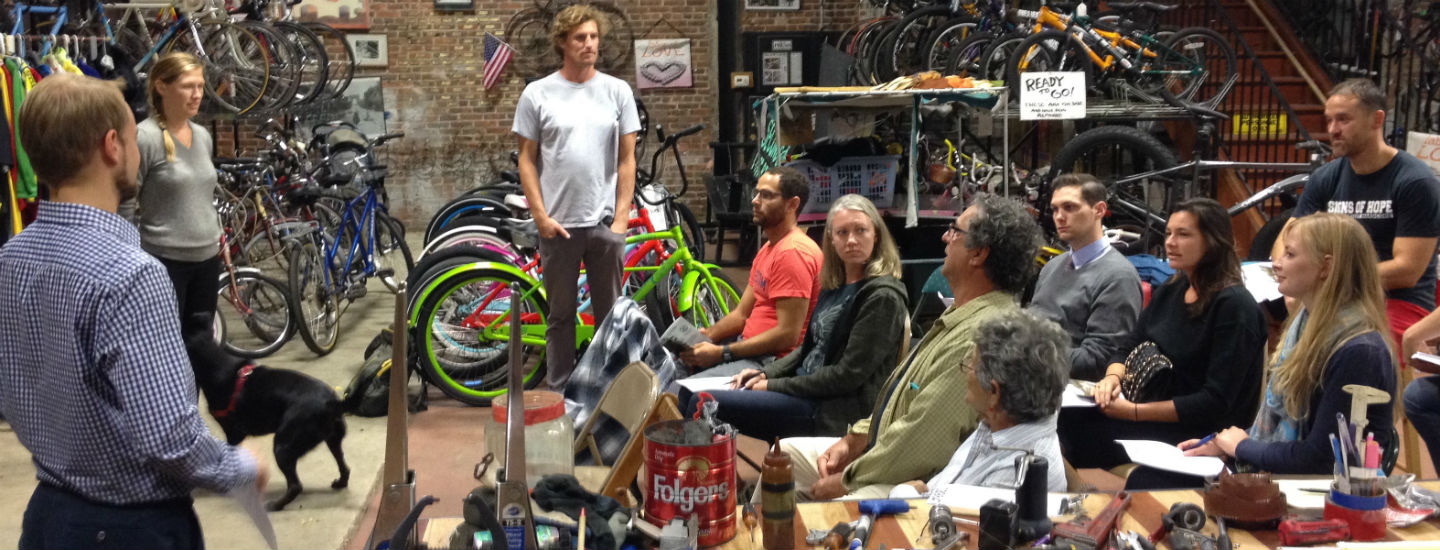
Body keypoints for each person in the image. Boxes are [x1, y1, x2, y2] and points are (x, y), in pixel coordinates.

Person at [0, 74, 266, 549]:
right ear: (111, 147)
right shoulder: (130, 275)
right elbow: (171, 439)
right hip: (127, 529)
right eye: (131, 136)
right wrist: (238, 467)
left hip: (47, 518)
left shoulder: (11, 259)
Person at [776, 194, 1042, 500]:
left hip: (918, 482)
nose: (945, 237)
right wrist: (855, 438)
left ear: (978, 253)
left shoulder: (980, 334)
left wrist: (848, 480)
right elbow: (902, 394)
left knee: (812, 494)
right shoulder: (963, 313)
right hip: (888, 454)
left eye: (955, 231)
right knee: (784, 456)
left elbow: (924, 438)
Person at [1060, 198, 1266, 490]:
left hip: (1197, 433)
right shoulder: (1174, 288)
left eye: (1183, 234)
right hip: (1148, 411)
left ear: (1213, 241)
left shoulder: (1235, 307)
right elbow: (1128, 345)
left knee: (1082, 438)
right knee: (1062, 421)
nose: (1170, 242)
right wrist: (1111, 379)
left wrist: (1132, 412)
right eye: (1168, 233)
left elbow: (1214, 402)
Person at [678, 194, 907, 441]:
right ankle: (704, 464)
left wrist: (773, 385)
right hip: (803, 390)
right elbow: (807, 348)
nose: (851, 240)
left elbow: (846, 376)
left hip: (831, 410)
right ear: (831, 239)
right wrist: (766, 374)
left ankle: (699, 466)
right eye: (842, 232)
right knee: (687, 394)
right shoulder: (835, 285)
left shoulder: (882, 297)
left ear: (876, 235)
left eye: (861, 230)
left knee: (703, 402)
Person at [1181, 213, 1395, 474]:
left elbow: (1323, 458)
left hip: (1327, 490)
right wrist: (1223, 444)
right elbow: (1281, 430)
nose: (1277, 263)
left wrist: (1242, 447)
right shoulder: (1305, 326)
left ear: (1326, 267)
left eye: (1290, 255)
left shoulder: (1359, 351)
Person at [513, 4, 641, 391]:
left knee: (610, 318)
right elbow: (526, 160)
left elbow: (627, 160)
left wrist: (621, 220)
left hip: (604, 224)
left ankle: (605, 392)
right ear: (563, 44)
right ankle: (560, 392)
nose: (589, 44)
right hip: (558, 226)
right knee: (560, 317)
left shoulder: (617, 91)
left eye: (594, 37)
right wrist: (540, 216)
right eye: (580, 38)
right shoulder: (537, 94)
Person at [1278, 78, 1440, 346]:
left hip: (1395, 301)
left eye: (1343, 119)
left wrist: (1329, 279)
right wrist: (1294, 277)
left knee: (1345, 345)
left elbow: (1408, 270)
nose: (1333, 130)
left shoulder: (1414, 181)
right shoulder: (1325, 177)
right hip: (1331, 296)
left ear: (1377, 120)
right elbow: (1287, 238)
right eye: (1329, 120)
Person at [889, 310, 1071, 497]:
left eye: (972, 365)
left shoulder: (1016, 474)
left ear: (994, 393)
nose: (966, 372)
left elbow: (941, 516)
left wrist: (904, 493)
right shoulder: (1000, 423)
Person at [117, 52, 221, 343]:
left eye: (200, 86)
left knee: (201, 346)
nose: (197, 94)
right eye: (188, 86)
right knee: (165, 345)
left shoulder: (202, 136)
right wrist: (129, 260)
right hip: (165, 262)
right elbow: (125, 204)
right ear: (162, 86)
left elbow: (201, 195)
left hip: (207, 260)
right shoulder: (145, 137)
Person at [680, 165, 822, 375]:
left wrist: (722, 353)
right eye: (757, 193)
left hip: (772, 362)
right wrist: (707, 335)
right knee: (674, 365)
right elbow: (741, 314)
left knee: (682, 388)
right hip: (748, 349)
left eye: (766, 195)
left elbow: (788, 335)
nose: (755, 201)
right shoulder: (769, 248)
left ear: (792, 204)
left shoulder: (794, 253)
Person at [1028, 173, 1143, 381]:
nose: (1059, 216)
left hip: (1069, 391)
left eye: (1069, 207)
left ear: (1099, 210)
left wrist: (1027, 355)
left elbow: (1099, 360)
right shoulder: (1051, 267)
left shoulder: (1119, 277)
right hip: (1033, 380)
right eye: (1055, 209)